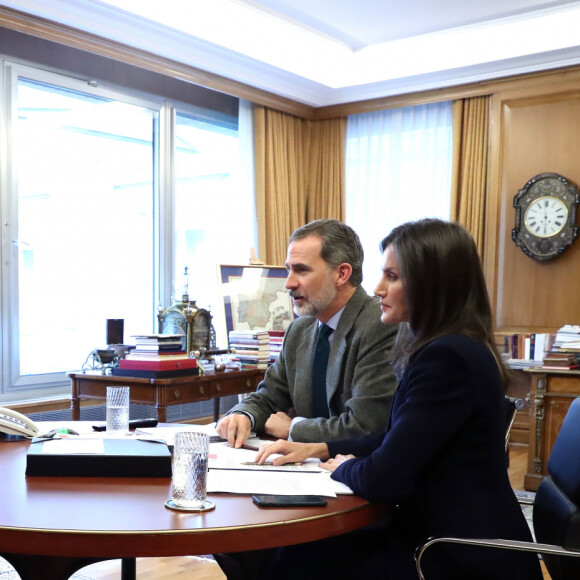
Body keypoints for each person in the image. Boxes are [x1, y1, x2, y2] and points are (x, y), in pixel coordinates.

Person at [255, 219, 543, 580]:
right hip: (437, 535)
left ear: (430, 284)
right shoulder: (452, 346)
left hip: (452, 554)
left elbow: (384, 477)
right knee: (295, 555)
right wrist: (321, 448)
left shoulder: (447, 358)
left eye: (392, 276)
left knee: (298, 560)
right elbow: (398, 437)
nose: (377, 288)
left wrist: (341, 466)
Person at [217, 218, 398, 447]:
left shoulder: (380, 325)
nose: (289, 283)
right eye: (288, 270)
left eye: (301, 270)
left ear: (342, 274)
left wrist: (294, 428)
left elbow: (365, 427)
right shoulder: (299, 329)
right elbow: (267, 398)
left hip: (355, 471)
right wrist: (244, 415)